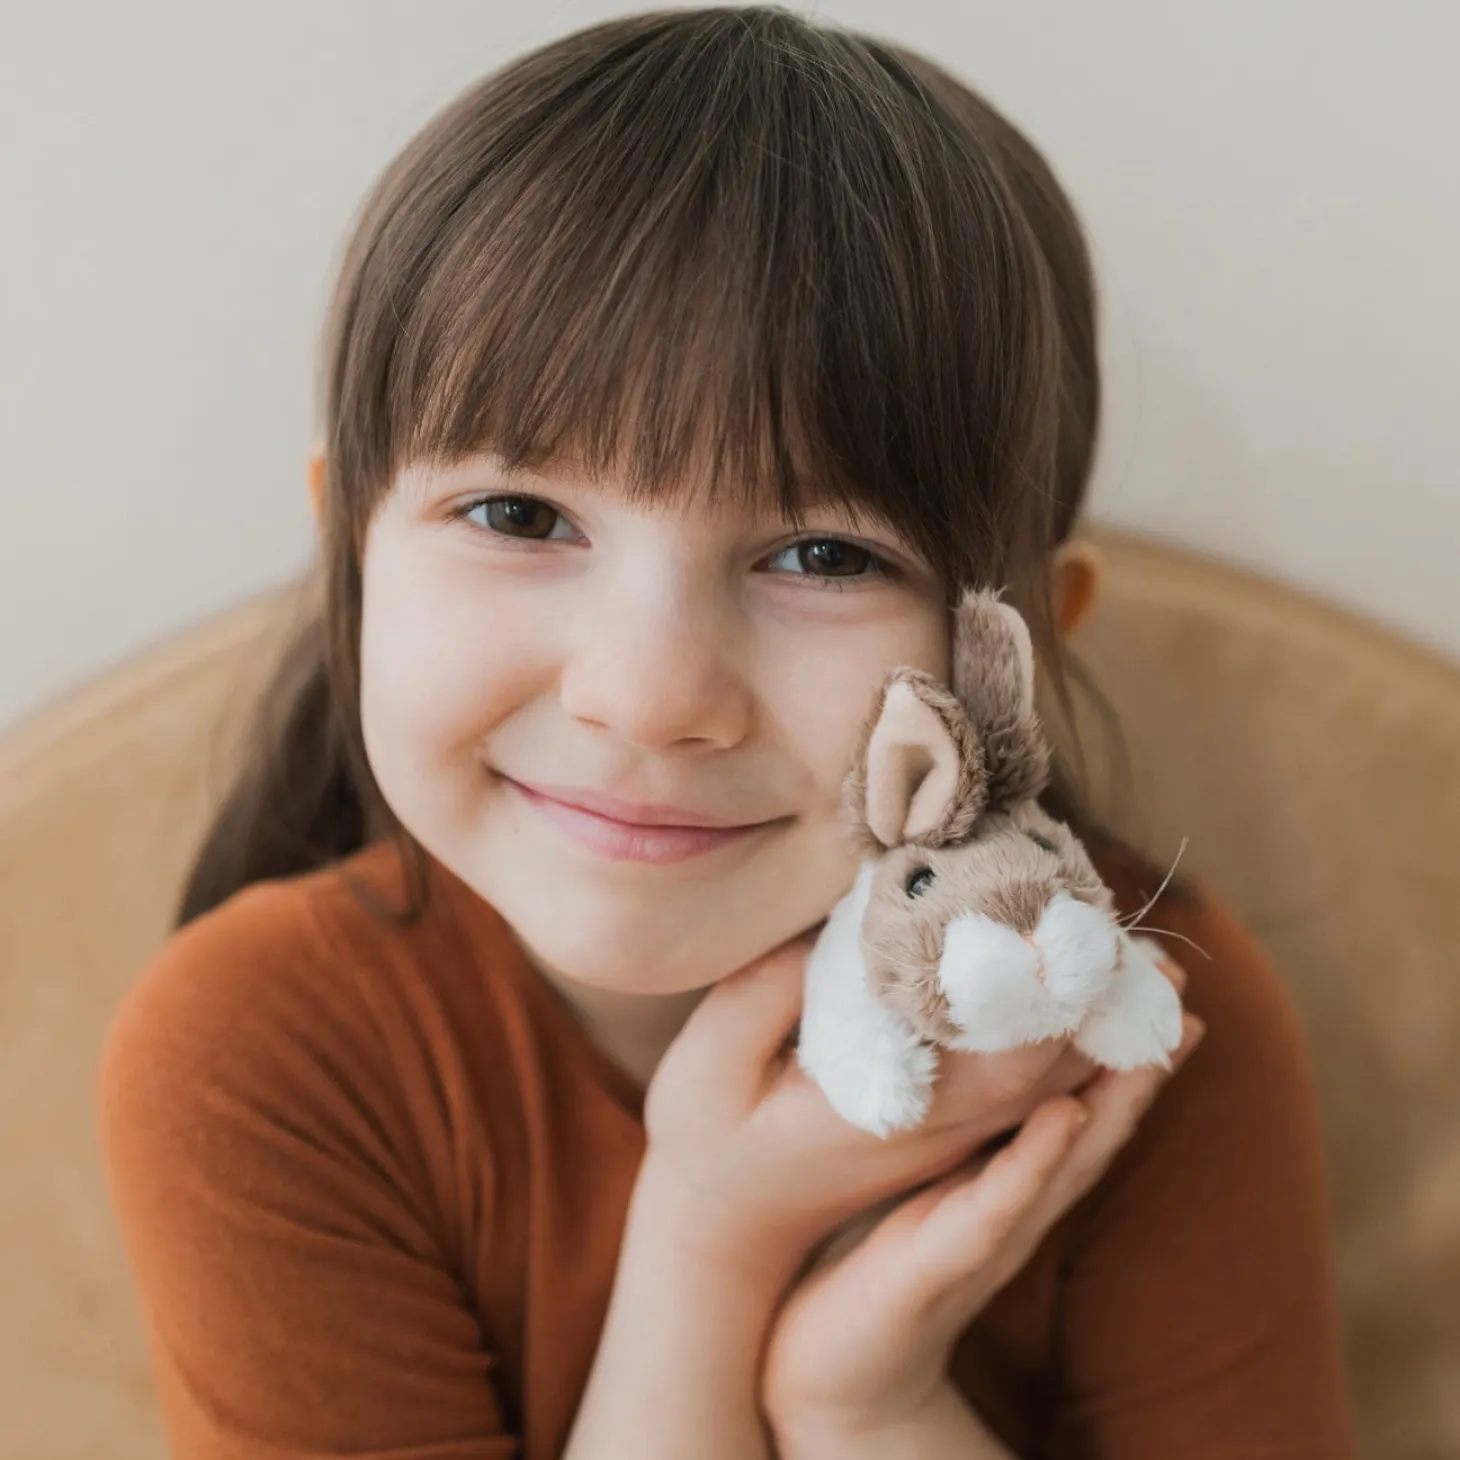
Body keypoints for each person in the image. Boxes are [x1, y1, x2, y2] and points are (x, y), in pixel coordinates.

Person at [96, 8, 1359, 1458]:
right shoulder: (259, 1056)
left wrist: (868, 1407)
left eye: (825, 556)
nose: (648, 694)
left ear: (1020, 648)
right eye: (519, 516)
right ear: (353, 551)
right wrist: (713, 1243)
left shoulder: (1134, 1017)